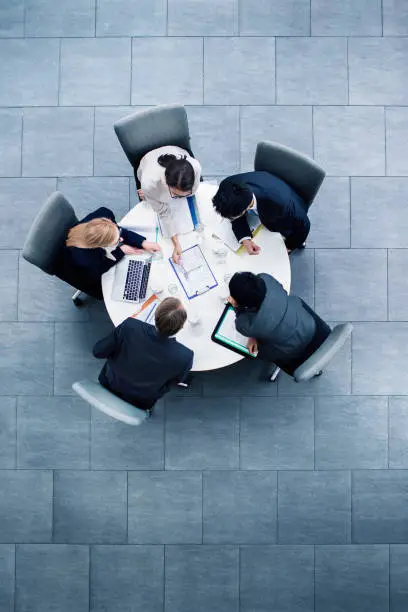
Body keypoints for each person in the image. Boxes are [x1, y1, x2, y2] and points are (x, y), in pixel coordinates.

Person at [93, 297, 193, 410]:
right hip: (141, 400)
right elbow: (176, 382)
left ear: (156, 315)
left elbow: (98, 352)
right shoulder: (185, 356)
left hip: (110, 382)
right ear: (181, 327)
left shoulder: (130, 327)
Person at [228, 271, 330, 374]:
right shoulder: (266, 279)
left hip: (290, 350)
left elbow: (242, 318)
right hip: (309, 325)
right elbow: (283, 291)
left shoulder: (244, 325)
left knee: (256, 352)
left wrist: (236, 307)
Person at [61, 207, 161, 299]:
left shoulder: (104, 214)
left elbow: (119, 231)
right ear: (101, 246)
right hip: (82, 273)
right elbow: (99, 269)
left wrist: (143, 242)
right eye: (117, 241)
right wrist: (120, 251)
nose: (121, 239)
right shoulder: (86, 260)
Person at [212, 171, 310, 255]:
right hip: (263, 184)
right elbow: (236, 211)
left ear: (245, 209)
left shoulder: (279, 204)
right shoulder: (227, 184)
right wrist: (245, 238)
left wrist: (289, 246)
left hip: (290, 204)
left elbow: (304, 224)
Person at [136, 146, 201, 264]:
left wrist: (183, 194)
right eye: (175, 194)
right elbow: (163, 212)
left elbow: (194, 190)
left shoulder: (195, 167)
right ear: (166, 182)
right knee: (148, 197)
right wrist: (176, 243)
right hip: (148, 164)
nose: (178, 198)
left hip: (176, 152)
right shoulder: (150, 183)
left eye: (185, 194)